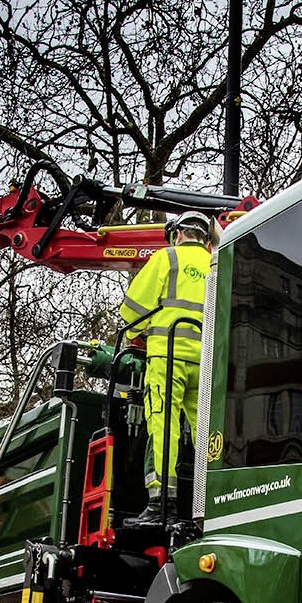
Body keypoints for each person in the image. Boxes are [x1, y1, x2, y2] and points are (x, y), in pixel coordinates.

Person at [117, 210, 216, 526]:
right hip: (206, 363)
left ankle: (161, 505)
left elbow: (132, 312)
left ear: (177, 234)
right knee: (206, 433)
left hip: (167, 359)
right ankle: (210, 504)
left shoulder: (166, 259)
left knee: (163, 427)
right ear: (205, 238)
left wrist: (135, 333)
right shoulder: (219, 266)